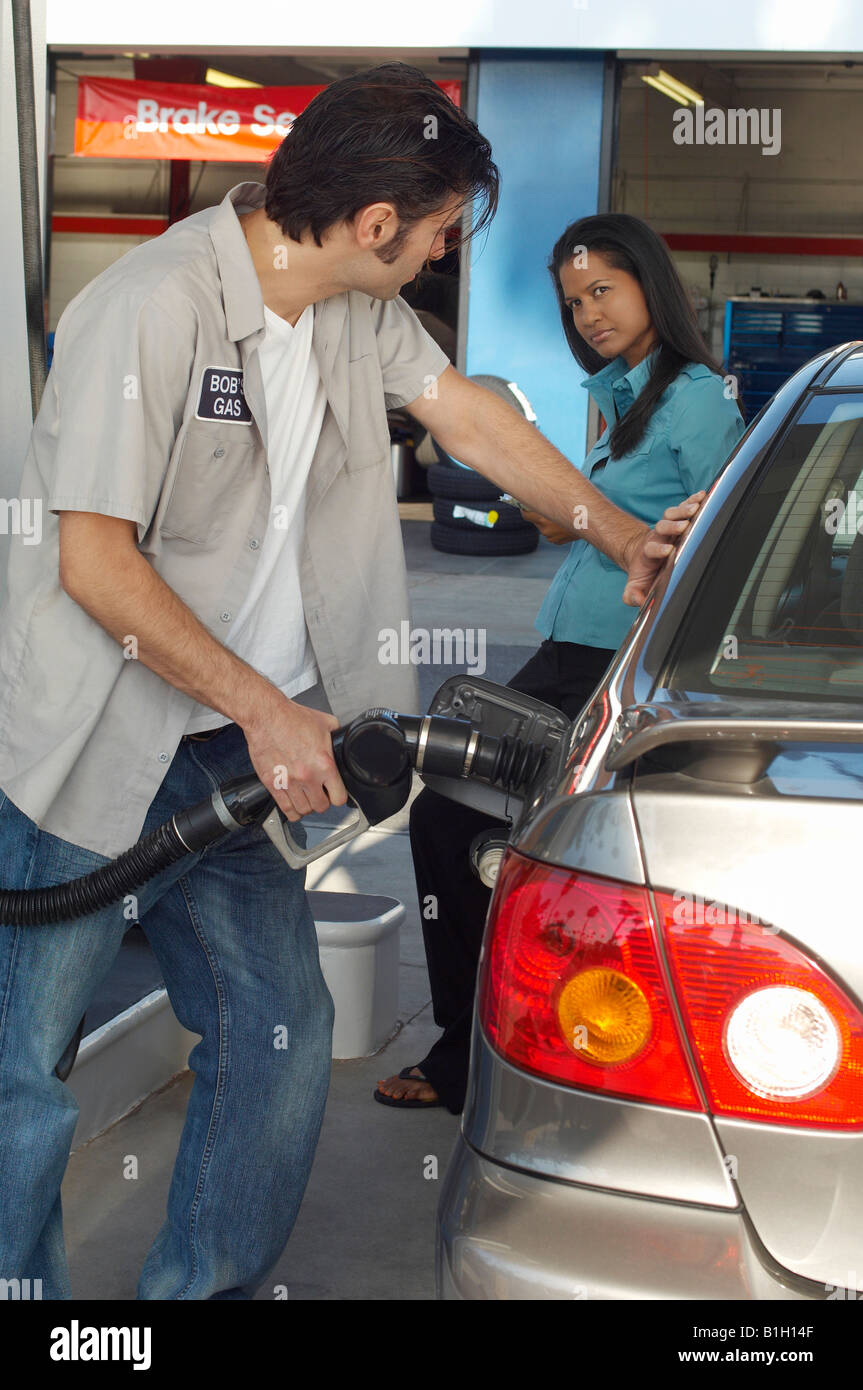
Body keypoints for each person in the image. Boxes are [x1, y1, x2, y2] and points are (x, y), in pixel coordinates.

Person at [0, 63, 694, 1300]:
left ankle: (195, 1297)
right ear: (378, 224)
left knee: (278, 1038)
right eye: (436, 232)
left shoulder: (357, 317)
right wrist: (270, 708)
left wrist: (615, 534)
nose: (438, 254)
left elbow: (471, 423)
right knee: (20, 1065)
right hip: (92, 749)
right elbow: (96, 564)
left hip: (228, 758)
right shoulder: (151, 307)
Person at [376, 212, 745, 1112]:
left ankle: (476, 1057)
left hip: (607, 663)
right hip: (566, 647)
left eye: (602, 292)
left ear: (650, 284)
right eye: (573, 301)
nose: (586, 314)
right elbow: (583, 522)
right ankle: (490, 1050)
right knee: (473, 831)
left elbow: (719, 534)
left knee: (456, 825)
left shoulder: (693, 395)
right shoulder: (626, 399)